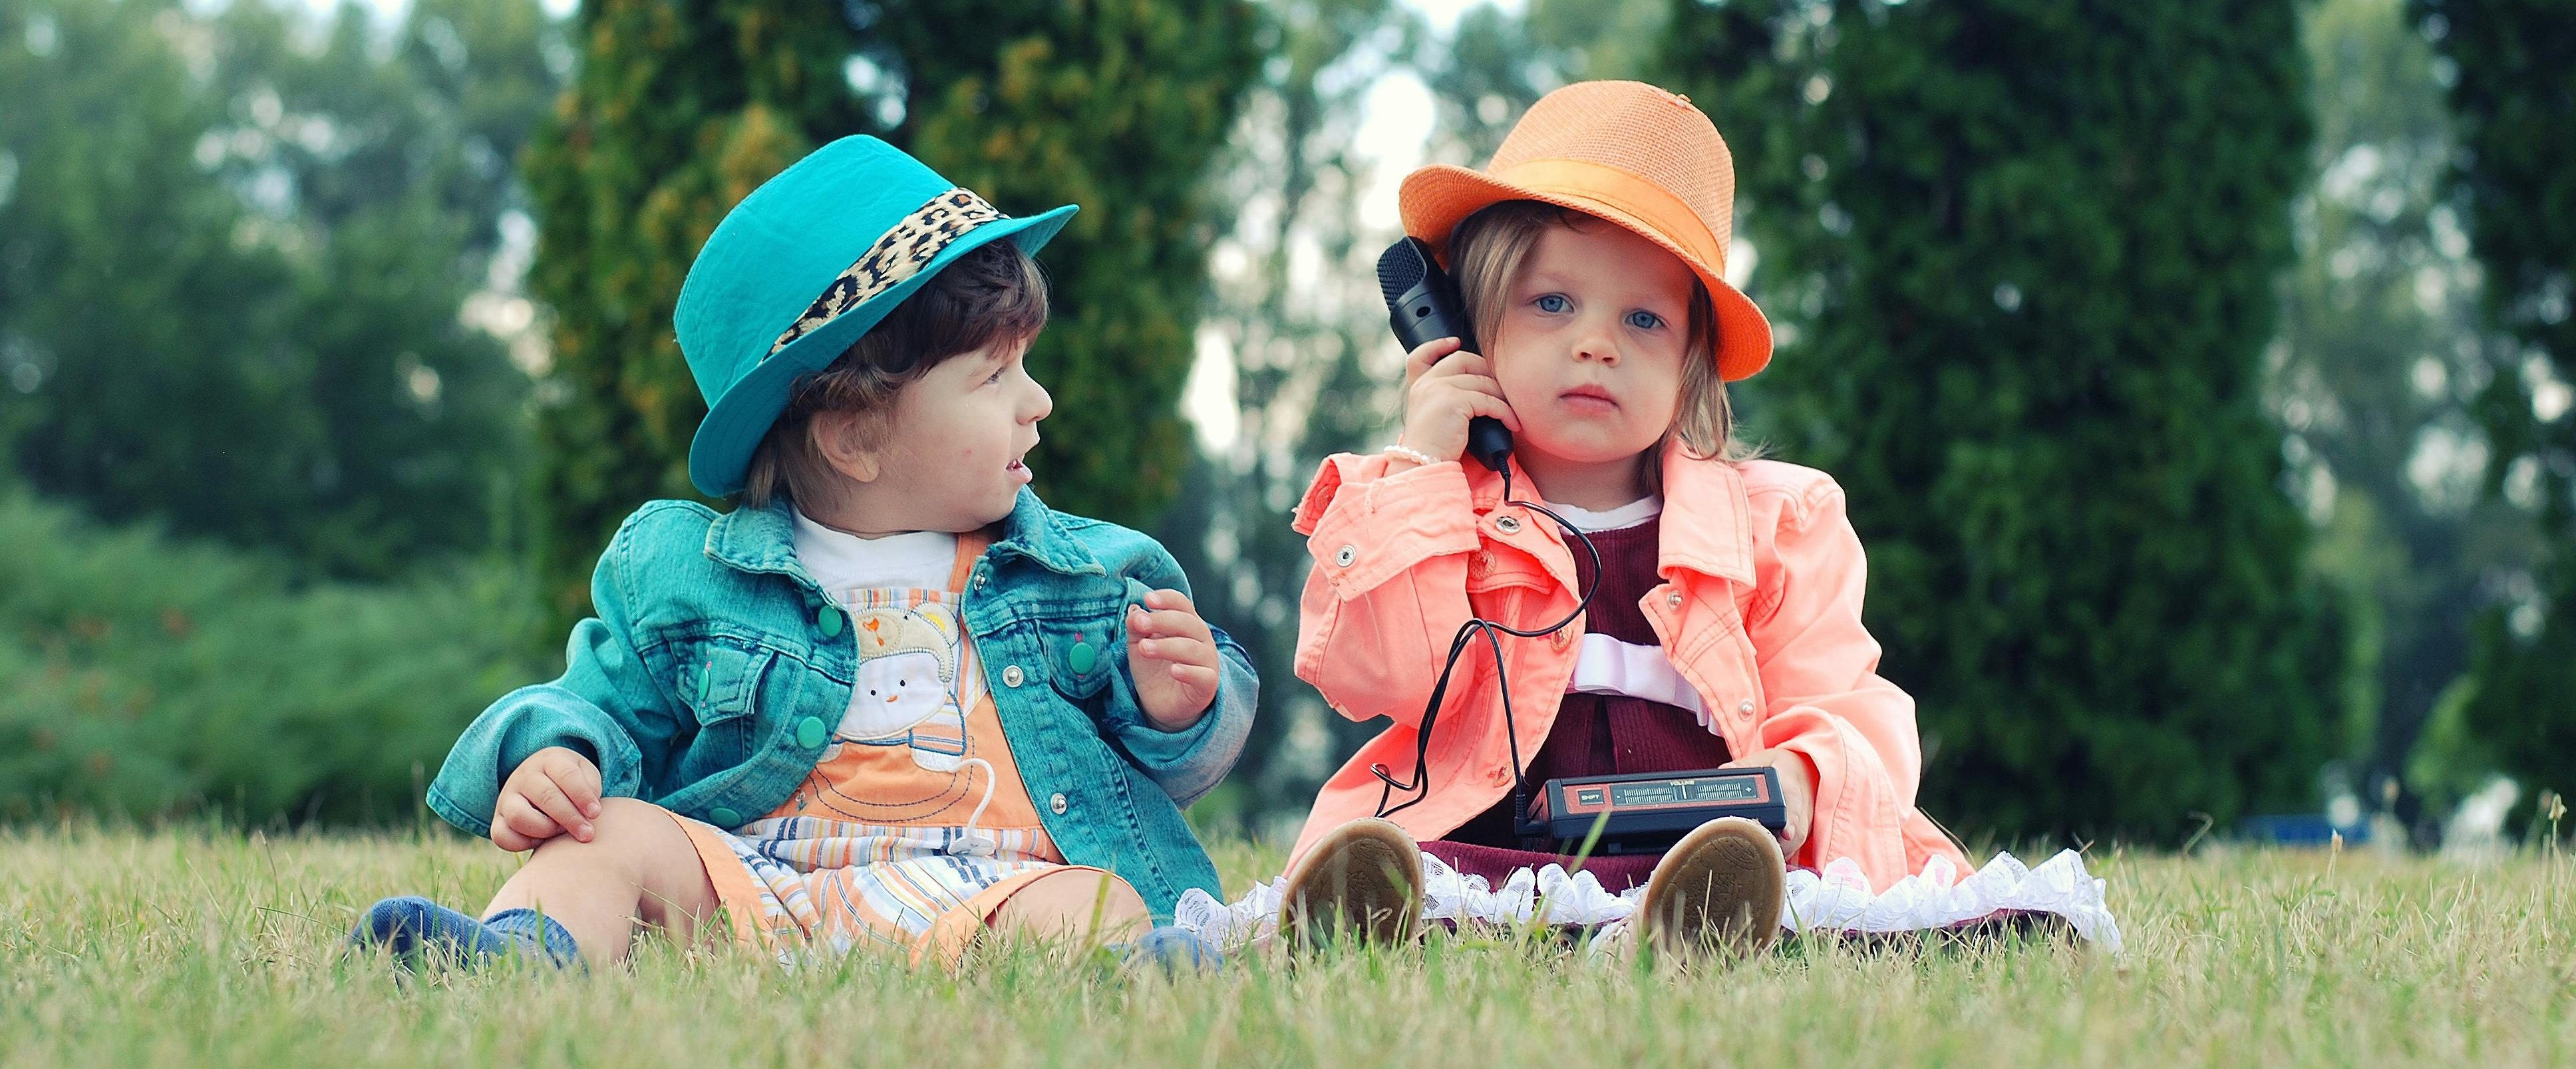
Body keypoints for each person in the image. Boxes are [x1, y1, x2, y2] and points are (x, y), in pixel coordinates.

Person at [349, 137, 1253, 971]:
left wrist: (1178, 706)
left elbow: (1178, 763)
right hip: (754, 883)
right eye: (993, 376)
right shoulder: (692, 576)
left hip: (989, 891)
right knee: (607, 836)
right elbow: (599, 700)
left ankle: (1140, 978)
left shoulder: (1075, 575)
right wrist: (556, 757)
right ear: (854, 436)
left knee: (1095, 901)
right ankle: (522, 956)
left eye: (1025, 365)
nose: (1039, 401)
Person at [1277, 81, 1967, 959]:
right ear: (1463, 331)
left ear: (1689, 365)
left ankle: (1676, 935)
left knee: (1771, 892)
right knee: (1433, 882)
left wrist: (1797, 775)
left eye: (1644, 318)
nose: (1596, 343)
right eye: (1552, 303)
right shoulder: (1426, 502)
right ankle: (1386, 925)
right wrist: (1420, 472)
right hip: (1499, 848)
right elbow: (1372, 674)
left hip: (1704, 853)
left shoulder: (1775, 525)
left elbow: (1847, 701)